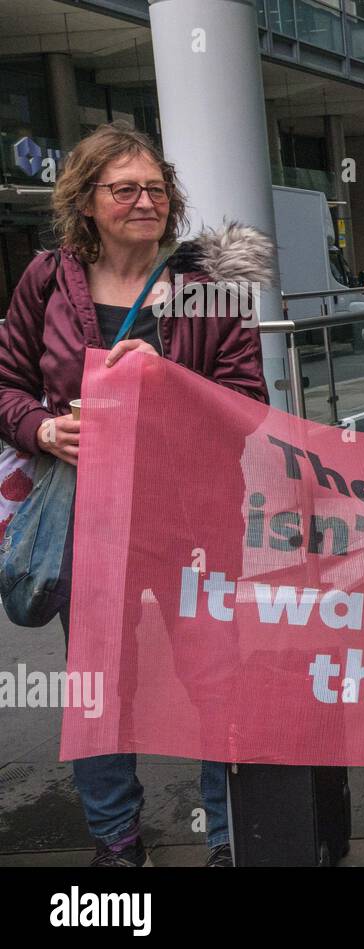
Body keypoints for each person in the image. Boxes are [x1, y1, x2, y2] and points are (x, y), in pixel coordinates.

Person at [0, 121, 273, 867]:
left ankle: (229, 841)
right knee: (100, 689)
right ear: (87, 201)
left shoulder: (208, 286)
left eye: (156, 188)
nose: (145, 200)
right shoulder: (47, 280)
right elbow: (7, 385)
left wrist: (167, 378)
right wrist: (41, 431)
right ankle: (117, 843)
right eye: (125, 189)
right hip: (92, 523)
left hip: (194, 519)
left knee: (216, 681)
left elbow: (247, 402)